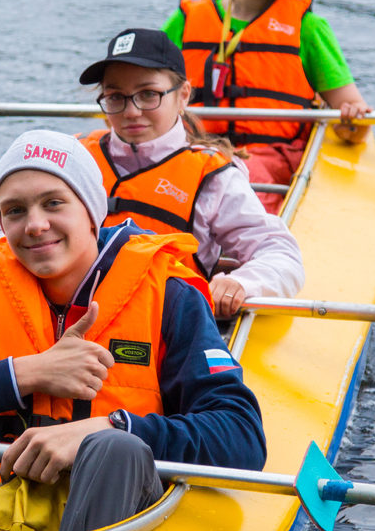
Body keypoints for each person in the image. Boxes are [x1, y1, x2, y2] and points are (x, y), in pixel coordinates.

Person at [0, 130, 266, 531]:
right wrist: (24, 375)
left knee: (115, 449)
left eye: (53, 203)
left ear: (91, 213)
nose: (35, 225)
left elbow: (243, 438)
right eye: (15, 211)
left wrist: (110, 427)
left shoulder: (170, 295)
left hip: (110, 524)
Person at [75, 27, 305, 319]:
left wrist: (241, 283)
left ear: (183, 95)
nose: (131, 112)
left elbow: (279, 252)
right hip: (74, 320)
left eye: (148, 94)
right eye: (116, 97)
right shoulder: (76, 157)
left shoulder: (212, 177)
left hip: (164, 328)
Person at [163, 0, 372, 212]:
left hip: (265, 162)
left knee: (230, 179)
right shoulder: (188, 15)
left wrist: (353, 121)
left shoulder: (309, 28)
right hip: (188, 149)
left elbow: (351, 111)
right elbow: (143, 81)